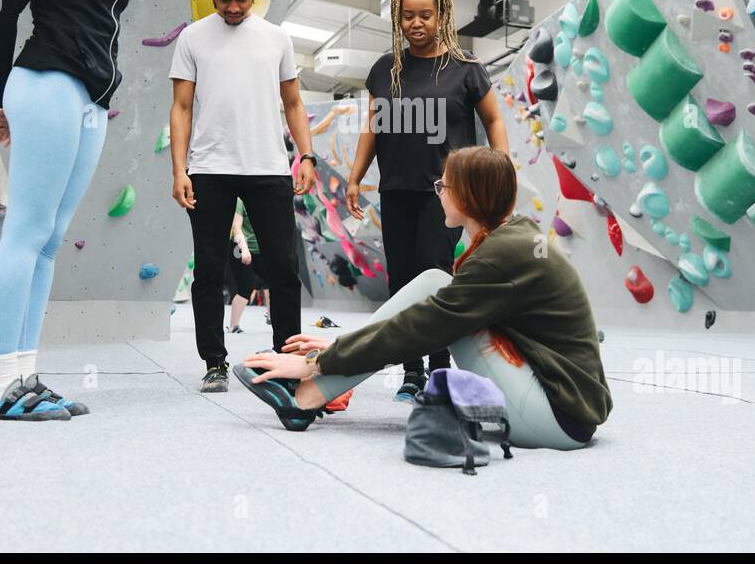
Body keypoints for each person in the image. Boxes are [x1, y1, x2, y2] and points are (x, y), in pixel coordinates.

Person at [236, 147, 612, 450]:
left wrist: (319, 361)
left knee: (436, 301)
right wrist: (338, 349)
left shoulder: (506, 253)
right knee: (435, 286)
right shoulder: (508, 241)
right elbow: (423, 320)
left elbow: (424, 326)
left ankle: (307, 394)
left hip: (557, 418)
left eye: (443, 187)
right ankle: (321, 386)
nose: (439, 195)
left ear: (468, 196)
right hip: (558, 402)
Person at [0, 0, 149, 420]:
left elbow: (104, 29)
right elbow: (1, 9)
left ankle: (23, 375)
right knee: (25, 232)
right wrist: (1, 96)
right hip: (47, 82)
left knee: (47, 242)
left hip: (89, 101)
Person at [346, 0, 509, 402]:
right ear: (398, 18)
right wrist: (356, 176)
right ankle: (411, 371)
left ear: (442, 16)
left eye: (425, 15)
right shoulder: (385, 70)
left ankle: (439, 370)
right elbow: (372, 128)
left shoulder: (466, 68)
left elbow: (493, 119)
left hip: (446, 196)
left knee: (433, 276)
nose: (416, 24)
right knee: (400, 282)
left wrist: (501, 171)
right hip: (396, 188)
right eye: (408, 15)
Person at [169, 0, 317, 392]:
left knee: (284, 267)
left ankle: (287, 358)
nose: (233, 8)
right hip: (210, 168)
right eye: (223, 0)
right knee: (210, 271)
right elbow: (180, 108)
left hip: (268, 167)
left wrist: (305, 155)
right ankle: (214, 361)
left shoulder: (276, 38)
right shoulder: (193, 38)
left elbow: (293, 102)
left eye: (242, 0)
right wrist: (180, 170)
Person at [225, 198, 269, 334]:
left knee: (275, 282)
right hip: (240, 248)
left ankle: (272, 316)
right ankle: (233, 325)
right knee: (245, 287)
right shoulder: (240, 201)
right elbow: (236, 226)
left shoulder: (266, 196)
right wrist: (244, 248)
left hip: (261, 249)